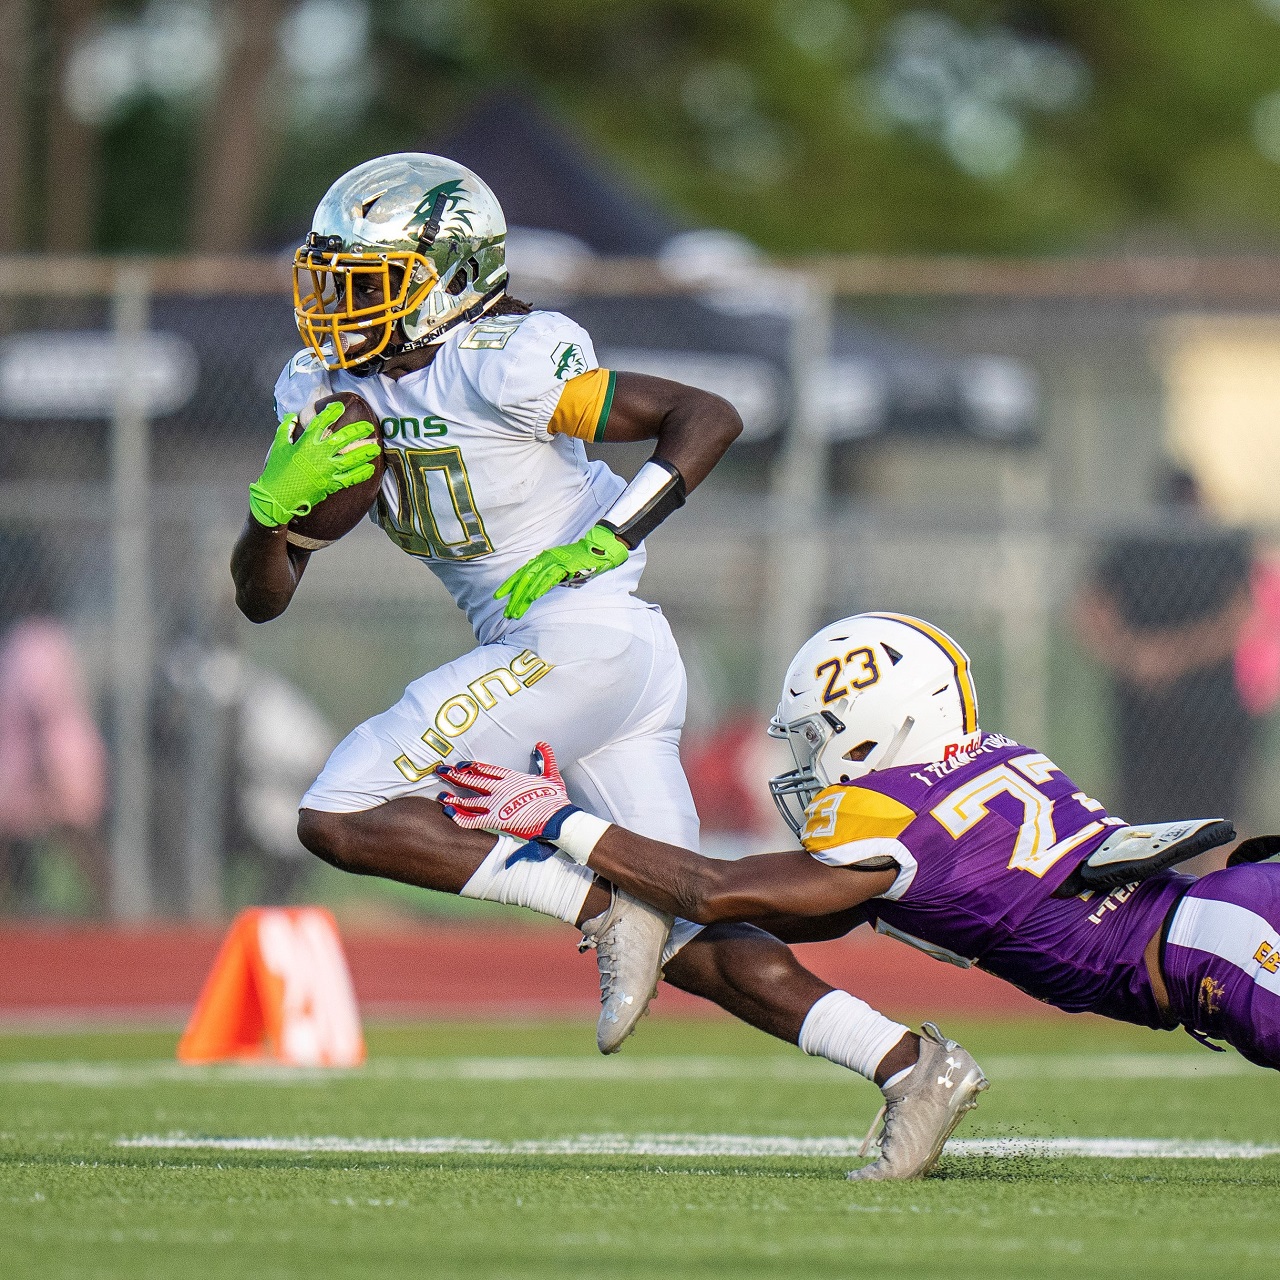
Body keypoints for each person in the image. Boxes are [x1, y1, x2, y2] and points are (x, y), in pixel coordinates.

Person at [230, 153, 960, 1119]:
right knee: (701, 934)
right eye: (329, 280)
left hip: (585, 638)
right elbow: (263, 601)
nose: (335, 308)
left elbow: (705, 416)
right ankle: (911, 1066)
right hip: (591, 662)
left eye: (367, 283)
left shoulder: (503, 358)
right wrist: (268, 521)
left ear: (447, 277)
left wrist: (612, 534)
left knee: (342, 809)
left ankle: (605, 909)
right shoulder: (320, 384)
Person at [437, 611, 1280, 1177]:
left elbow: (717, 887)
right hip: (1222, 916)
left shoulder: (891, 814)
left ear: (880, 723)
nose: (807, 764)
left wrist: (561, 822)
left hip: (1218, 949)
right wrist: (620, 878)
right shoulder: (987, 757)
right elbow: (787, 907)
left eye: (817, 738)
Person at [1074, 468, 1255, 833]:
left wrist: (1159, 656)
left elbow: (1238, 618)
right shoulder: (1138, 547)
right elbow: (1090, 609)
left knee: (1209, 821)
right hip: (1151, 708)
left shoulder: (1220, 547)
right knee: (1149, 821)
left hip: (1208, 706)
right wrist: (1135, 656)